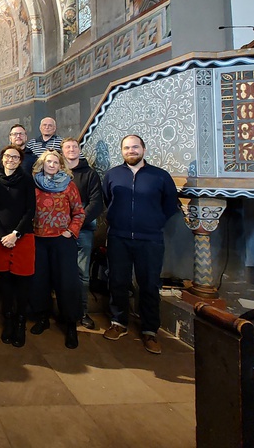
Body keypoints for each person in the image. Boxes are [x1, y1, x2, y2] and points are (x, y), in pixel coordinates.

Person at [102, 134, 179, 355]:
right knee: (117, 281)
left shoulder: (160, 176)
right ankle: (118, 322)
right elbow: (108, 200)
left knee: (149, 284)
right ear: (122, 151)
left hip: (150, 239)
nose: (131, 151)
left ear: (143, 149)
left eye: (135, 147)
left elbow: (170, 204)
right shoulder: (112, 175)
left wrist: (155, 222)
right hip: (119, 237)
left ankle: (149, 330)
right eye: (127, 148)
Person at [29, 150, 85, 349]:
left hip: (62, 240)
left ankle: (70, 324)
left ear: (61, 165)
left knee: (67, 283)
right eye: (48, 162)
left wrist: (71, 231)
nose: (51, 165)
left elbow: (79, 212)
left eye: (55, 162)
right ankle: (42, 318)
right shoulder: (34, 184)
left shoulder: (69, 185)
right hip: (38, 240)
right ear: (42, 164)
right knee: (39, 281)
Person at [0, 144, 37, 347]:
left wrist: (15, 234)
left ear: (20, 160)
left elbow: (30, 210)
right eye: (8, 156)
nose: (11, 160)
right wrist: (1, 235)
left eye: (15, 157)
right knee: (5, 281)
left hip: (22, 236)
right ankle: (8, 320)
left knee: (22, 282)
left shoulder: (27, 180)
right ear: (2, 158)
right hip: (0, 237)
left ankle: (20, 322)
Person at [62, 137, 103, 330]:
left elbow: (96, 203)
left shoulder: (90, 174)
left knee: (82, 274)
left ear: (79, 150)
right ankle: (64, 312)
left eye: (74, 146)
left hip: (82, 230)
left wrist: (75, 225)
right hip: (58, 231)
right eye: (67, 147)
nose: (71, 149)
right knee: (60, 272)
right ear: (62, 151)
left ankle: (82, 312)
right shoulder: (57, 172)